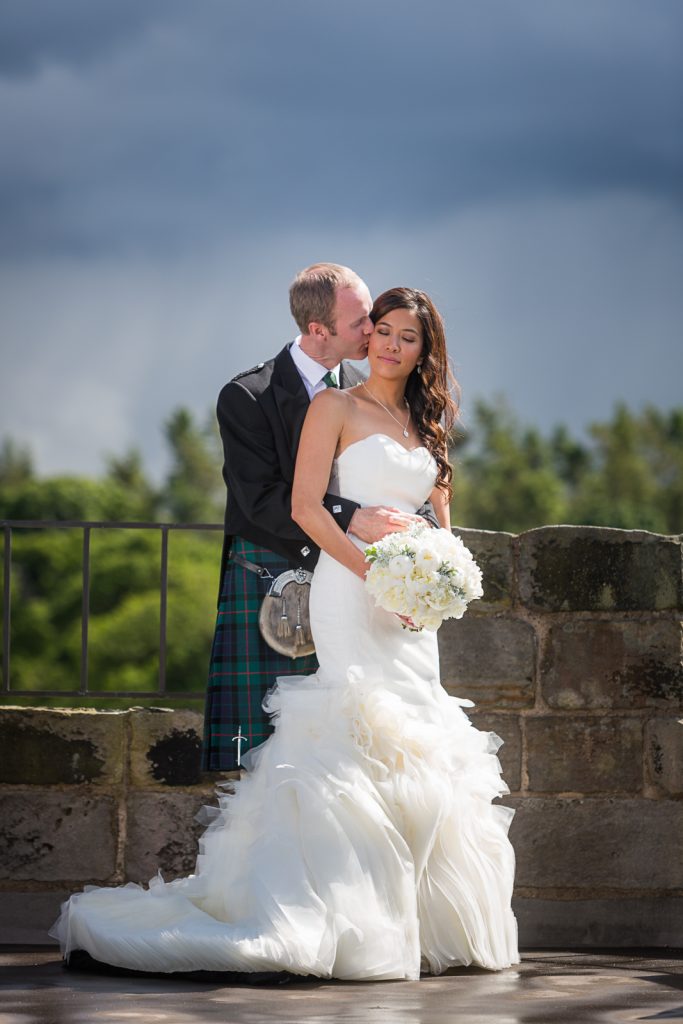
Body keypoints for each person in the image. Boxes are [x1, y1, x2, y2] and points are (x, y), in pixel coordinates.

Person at [51, 287, 519, 979]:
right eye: (379, 329)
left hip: (411, 614)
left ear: (427, 349)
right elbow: (303, 507)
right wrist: (375, 575)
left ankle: (420, 922)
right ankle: (340, 915)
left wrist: (438, 583)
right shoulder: (333, 406)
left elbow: (438, 514)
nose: (388, 344)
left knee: (423, 731)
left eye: (404, 336)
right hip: (349, 588)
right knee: (353, 727)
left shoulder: (431, 420)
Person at [203, 263, 429, 771]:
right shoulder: (247, 396)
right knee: (266, 752)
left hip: (351, 585)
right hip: (272, 577)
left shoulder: (366, 389)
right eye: (360, 324)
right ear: (317, 330)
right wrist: (352, 518)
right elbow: (261, 498)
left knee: (349, 741)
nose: (373, 331)